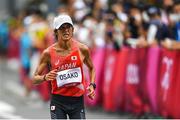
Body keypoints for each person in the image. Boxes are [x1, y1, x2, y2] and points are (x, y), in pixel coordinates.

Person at [33, 14, 96, 119]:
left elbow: (92, 68)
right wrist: (45, 77)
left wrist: (92, 85)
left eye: (68, 27)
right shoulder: (48, 53)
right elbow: (35, 79)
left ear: (73, 29)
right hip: (58, 102)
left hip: (77, 101)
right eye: (62, 28)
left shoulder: (82, 49)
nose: (66, 30)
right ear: (56, 32)